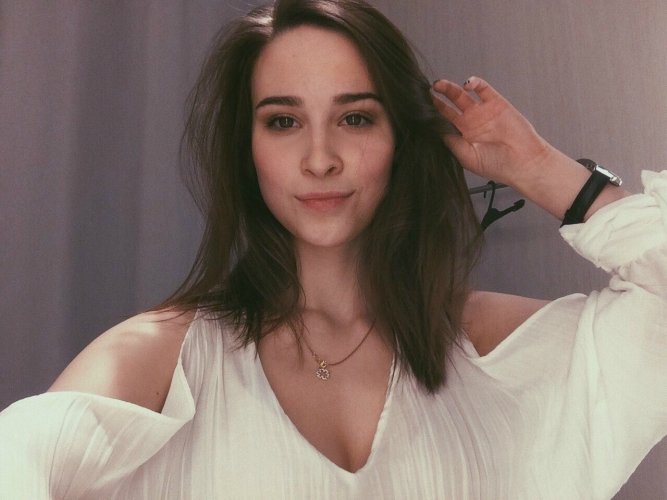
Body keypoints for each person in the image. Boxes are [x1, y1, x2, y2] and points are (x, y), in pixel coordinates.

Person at [1, 0, 665, 498]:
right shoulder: (159, 361)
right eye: (283, 121)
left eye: (354, 118)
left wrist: (538, 167)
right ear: (247, 149)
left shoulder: (492, 349)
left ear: (399, 138)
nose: (320, 158)